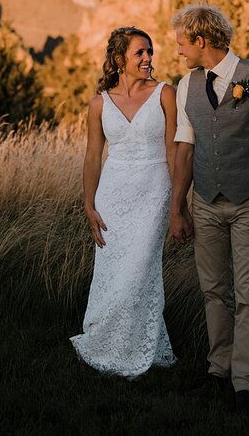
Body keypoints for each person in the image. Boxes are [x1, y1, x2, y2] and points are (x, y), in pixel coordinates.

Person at [168, 4, 249, 413]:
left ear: (201, 41)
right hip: (204, 202)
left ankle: (245, 386)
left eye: (182, 43)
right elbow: (184, 149)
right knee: (213, 291)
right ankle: (217, 371)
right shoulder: (187, 84)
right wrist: (178, 207)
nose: (179, 51)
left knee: (248, 296)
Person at [70, 26, 178, 377]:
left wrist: (179, 201)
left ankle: (130, 350)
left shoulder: (166, 94)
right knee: (113, 272)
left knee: (139, 270)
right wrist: (89, 205)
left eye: (150, 52)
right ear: (119, 60)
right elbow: (92, 157)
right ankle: (110, 341)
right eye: (140, 53)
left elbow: (175, 150)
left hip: (154, 190)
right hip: (112, 195)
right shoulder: (99, 103)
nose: (148, 58)